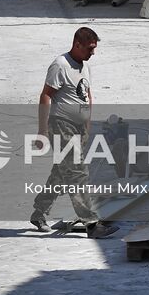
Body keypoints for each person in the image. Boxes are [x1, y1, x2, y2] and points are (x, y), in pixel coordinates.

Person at [28, 27, 118, 239]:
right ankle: (92, 224)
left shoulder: (83, 66)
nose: (92, 53)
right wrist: (42, 131)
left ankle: (38, 213)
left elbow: (86, 93)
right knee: (78, 174)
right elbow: (45, 96)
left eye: (94, 48)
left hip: (79, 128)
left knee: (62, 173)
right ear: (77, 44)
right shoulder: (60, 65)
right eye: (89, 48)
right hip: (62, 126)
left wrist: (87, 122)